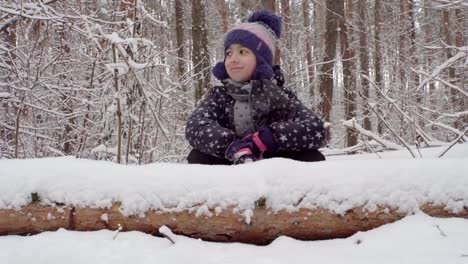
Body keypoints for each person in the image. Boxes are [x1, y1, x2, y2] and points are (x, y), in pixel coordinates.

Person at [185, 10, 325, 165]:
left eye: (242, 52)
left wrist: (271, 138)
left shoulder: (280, 95)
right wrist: (230, 144)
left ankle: (297, 188)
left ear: (261, 61)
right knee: (197, 156)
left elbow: (315, 127)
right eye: (229, 53)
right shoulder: (219, 95)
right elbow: (196, 125)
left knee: (312, 156)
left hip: (274, 165)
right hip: (230, 163)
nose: (233, 59)